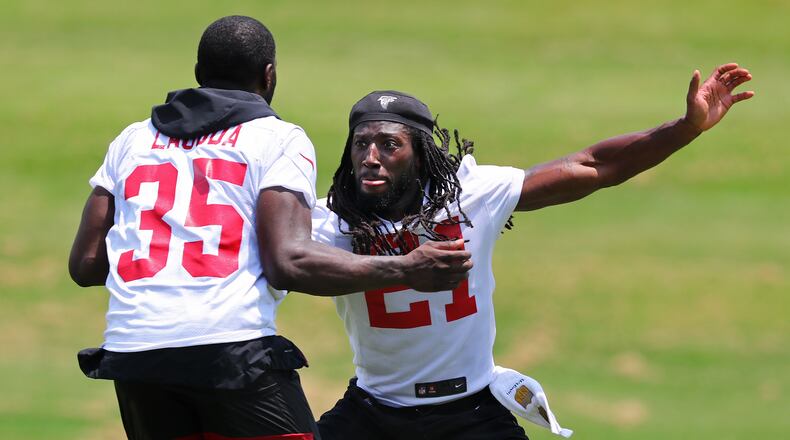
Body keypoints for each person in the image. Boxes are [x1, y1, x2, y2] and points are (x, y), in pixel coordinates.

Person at [68, 16, 471, 440]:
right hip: (229, 349)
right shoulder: (276, 138)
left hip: (133, 355)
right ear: (269, 75)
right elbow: (289, 262)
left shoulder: (131, 140)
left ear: (198, 74)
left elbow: (86, 265)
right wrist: (406, 268)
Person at [312, 63, 754, 439]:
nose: (370, 156)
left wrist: (686, 128)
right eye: (360, 143)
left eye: (389, 145)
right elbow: (287, 266)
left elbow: (593, 166)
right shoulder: (329, 222)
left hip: (470, 413)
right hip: (373, 413)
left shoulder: (471, 196)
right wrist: (402, 267)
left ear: (421, 155)